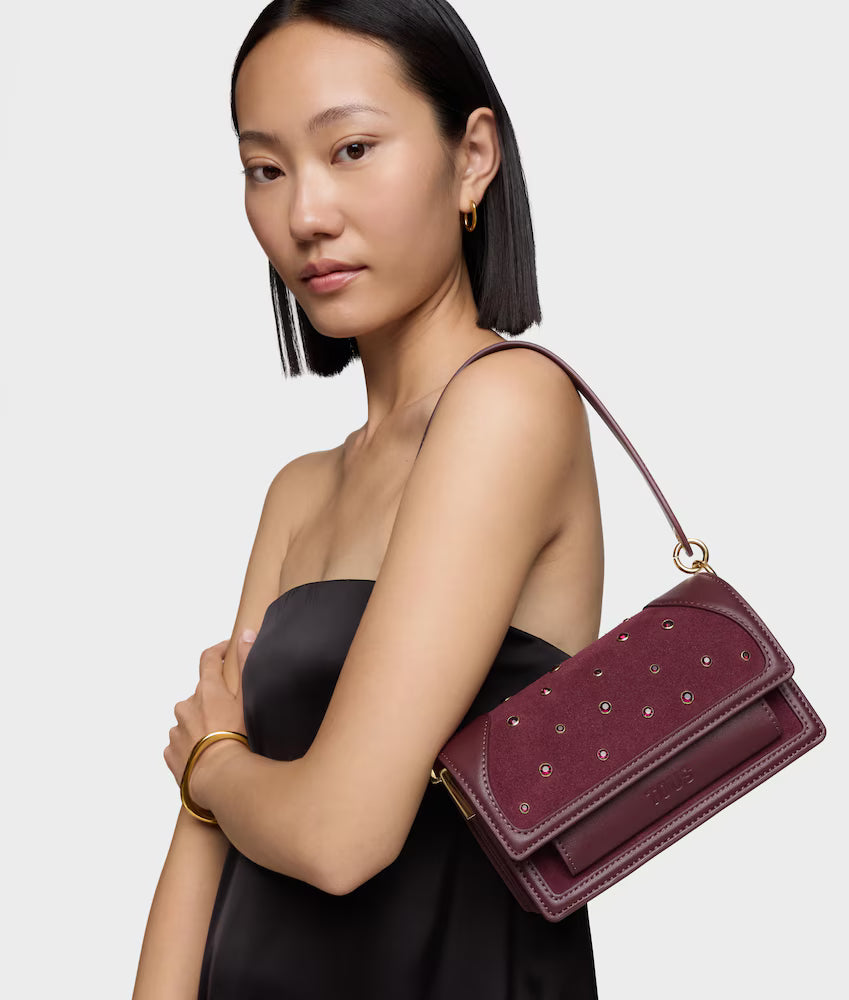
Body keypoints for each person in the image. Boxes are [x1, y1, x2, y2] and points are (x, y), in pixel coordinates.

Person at [133, 2, 603, 997]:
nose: (305, 213)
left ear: (472, 157)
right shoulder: (299, 491)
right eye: (266, 168)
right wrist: (214, 778)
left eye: (351, 149)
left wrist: (212, 765)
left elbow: (343, 835)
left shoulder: (511, 405)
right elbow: (198, 857)